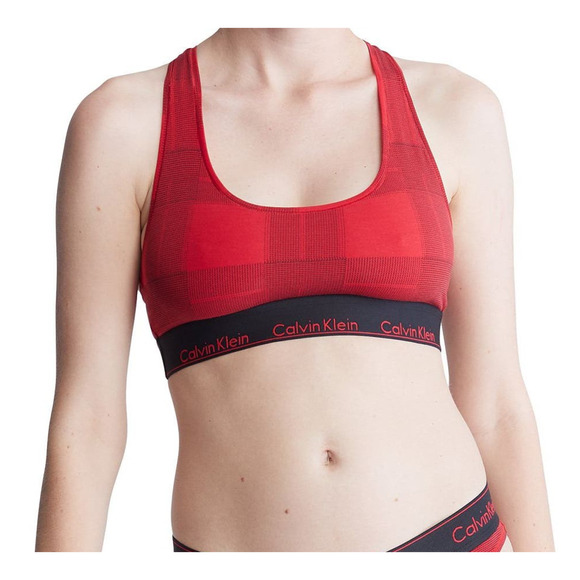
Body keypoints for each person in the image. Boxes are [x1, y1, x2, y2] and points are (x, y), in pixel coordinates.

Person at [35, 27, 555, 552]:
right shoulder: (122, 122)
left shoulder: (455, 108)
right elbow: (89, 417)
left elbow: (495, 402)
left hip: (453, 542)